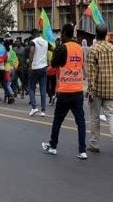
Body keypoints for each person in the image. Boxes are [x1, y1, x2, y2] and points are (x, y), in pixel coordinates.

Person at [42, 24, 87, 159]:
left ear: (65, 34)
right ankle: (82, 151)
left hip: (65, 90)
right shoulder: (80, 48)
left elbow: (54, 64)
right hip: (78, 90)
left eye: (62, 33)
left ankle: (53, 146)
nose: (61, 36)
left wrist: (56, 49)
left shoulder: (62, 48)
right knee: (81, 121)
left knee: (58, 120)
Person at [87, 24, 113, 153]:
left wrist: (90, 91)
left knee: (95, 117)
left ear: (96, 34)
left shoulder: (93, 49)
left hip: (97, 89)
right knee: (111, 116)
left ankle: (94, 144)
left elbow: (92, 72)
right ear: (106, 34)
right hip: (111, 87)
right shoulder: (112, 48)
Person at [28, 28, 49, 117]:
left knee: (31, 88)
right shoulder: (46, 42)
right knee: (43, 89)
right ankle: (43, 111)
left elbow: (32, 52)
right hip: (44, 67)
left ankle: (34, 107)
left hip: (35, 68)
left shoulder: (33, 42)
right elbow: (51, 50)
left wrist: (30, 65)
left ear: (33, 35)